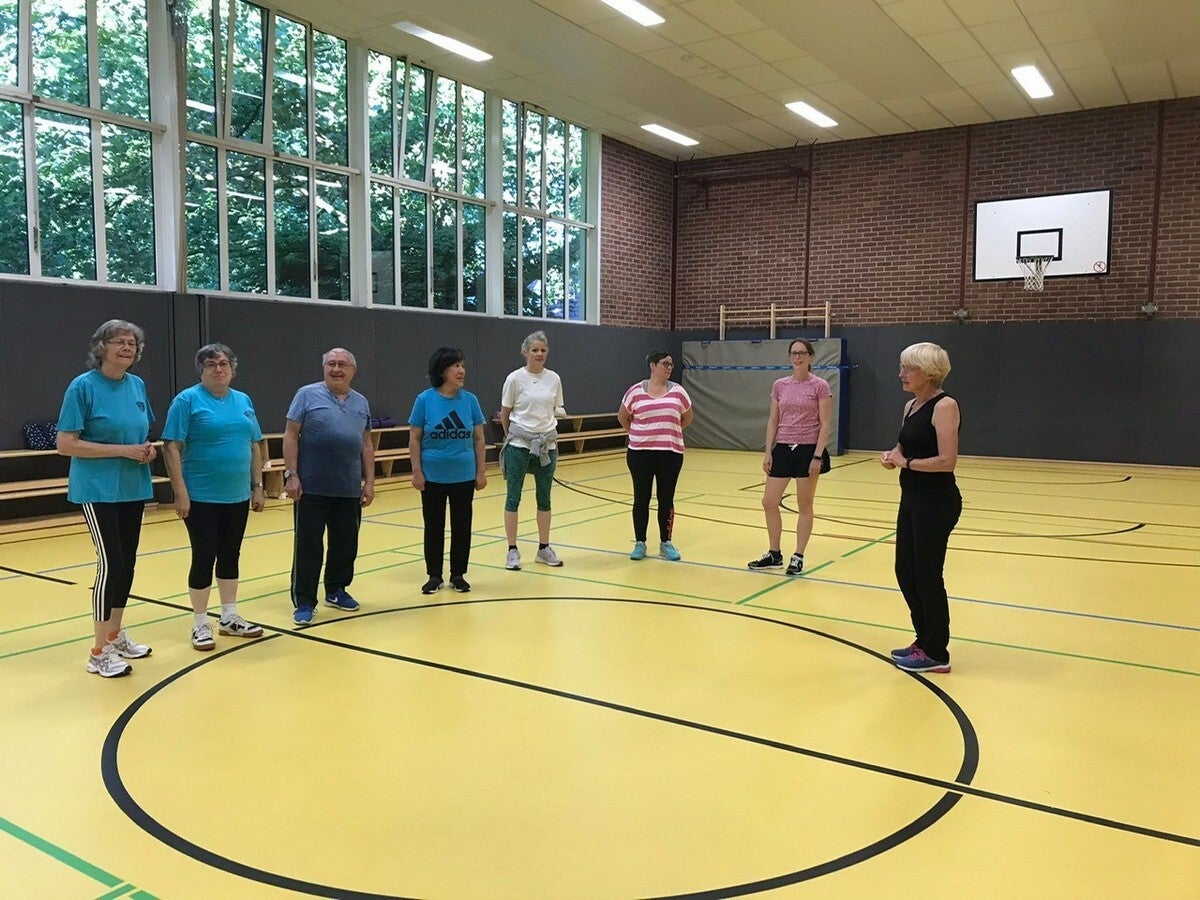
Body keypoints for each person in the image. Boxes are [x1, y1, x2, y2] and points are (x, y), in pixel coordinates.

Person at [56, 320, 157, 678]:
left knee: (127, 564)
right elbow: (65, 443)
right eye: (119, 342)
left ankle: (114, 635)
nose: (127, 348)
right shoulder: (82, 387)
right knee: (111, 563)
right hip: (97, 488)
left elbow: (138, 433)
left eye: (132, 343)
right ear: (102, 347)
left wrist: (145, 451)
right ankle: (99, 652)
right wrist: (123, 450)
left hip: (133, 486)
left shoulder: (137, 385)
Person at [162, 343, 266, 652]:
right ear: (202, 370)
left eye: (223, 364)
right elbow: (171, 447)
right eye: (211, 364)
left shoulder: (243, 400)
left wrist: (257, 486)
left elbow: (254, 444)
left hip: (237, 495)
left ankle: (229, 617)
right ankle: (200, 622)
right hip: (201, 496)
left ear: (232, 369)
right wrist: (180, 492)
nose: (218, 369)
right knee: (204, 555)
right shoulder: (187, 400)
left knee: (231, 554)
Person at [880, 342, 961, 674]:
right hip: (912, 498)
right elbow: (903, 446)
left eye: (909, 368)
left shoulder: (945, 406)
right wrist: (893, 456)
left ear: (929, 373)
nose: (902, 374)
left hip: (936, 501)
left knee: (928, 575)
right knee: (905, 571)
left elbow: (946, 461)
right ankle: (923, 639)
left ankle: (937, 651)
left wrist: (907, 463)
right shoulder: (911, 406)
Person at [283, 348, 375, 625]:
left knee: (346, 544)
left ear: (353, 370)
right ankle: (304, 601)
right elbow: (290, 435)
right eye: (331, 364)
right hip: (311, 488)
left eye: (342, 364)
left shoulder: (361, 402)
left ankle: (336, 590)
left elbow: (366, 444)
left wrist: (369, 482)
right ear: (324, 368)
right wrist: (291, 474)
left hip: (348, 488)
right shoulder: (306, 395)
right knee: (308, 546)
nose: (336, 369)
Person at [747, 338, 831, 575]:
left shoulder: (820, 386)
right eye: (794, 353)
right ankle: (774, 553)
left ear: (810, 356)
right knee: (769, 501)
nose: (797, 357)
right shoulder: (780, 385)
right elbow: (773, 420)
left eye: (802, 353)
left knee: (805, 504)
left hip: (808, 449)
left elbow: (825, 424)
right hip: (783, 448)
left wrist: (817, 456)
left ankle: (798, 555)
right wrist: (768, 452)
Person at [408, 347, 488, 595]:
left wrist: (481, 471)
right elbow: (414, 438)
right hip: (432, 476)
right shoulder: (424, 400)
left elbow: (479, 438)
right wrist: (416, 471)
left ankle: (458, 574)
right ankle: (434, 575)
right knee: (433, 526)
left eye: (462, 366)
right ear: (442, 370)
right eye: (455, 366)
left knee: (462, 526)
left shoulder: (470, 400)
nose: (461, 371)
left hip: (463, 475)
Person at [499, 330, 565, 570]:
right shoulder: (515, 379)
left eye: (543, 350)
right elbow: (505, 413)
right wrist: (514, 436)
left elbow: (556, 408)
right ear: (525, 352)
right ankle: (512, 550)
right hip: (520, 445)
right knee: (513, 496)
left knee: (544, 497)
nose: (539, 354)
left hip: (547, 446)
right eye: (534, 350)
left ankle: (544, 548)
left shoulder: (554, 379)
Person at [618, 351, 693, 561]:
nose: (669, 368)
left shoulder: (678, 392)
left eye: (671, 364)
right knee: (641, 498)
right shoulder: (635, 391)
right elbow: (623, 417)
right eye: (665, 364)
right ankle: (640, 543)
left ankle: (665, 543)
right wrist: (640, 434)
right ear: (652, 366)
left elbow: (687, 417)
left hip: (670, 454)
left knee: (666, 498)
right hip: (640, 455)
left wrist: (668, 432)